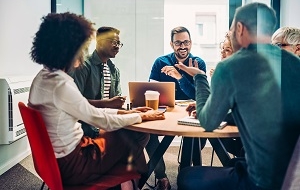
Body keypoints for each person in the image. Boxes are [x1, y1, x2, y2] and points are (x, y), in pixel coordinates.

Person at [28, 12, 165, 187]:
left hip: (66, 155)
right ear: (68, 49)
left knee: (127, 140)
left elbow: (86, 108)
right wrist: (140, 117)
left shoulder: (44, 77)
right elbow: (99, 119)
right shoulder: (61, 85)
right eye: (82, 47)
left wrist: (128, 112)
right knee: (134, 137)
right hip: (77, 164)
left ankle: (128, 182)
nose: (84, 52)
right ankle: (131, 181)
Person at [176, 2, 300, 190]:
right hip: (293, 174)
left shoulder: (231, 67)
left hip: (260, 181)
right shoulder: (292, 64)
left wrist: (200, 77)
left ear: (240, 29)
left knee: (186, 175)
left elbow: (208, 122)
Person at [148, 26, 206, 190]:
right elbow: (151, 90)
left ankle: (186, 172)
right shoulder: (161, 62)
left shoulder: (197, 63)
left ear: (191, 42)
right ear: (172, 44)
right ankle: (161, 176)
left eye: (186, 42)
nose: (183, 47)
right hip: (167, 112)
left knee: (197, 136)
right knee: (148, 136)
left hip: (190, 112)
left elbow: (198, 95)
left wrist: (179, 76)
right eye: (178, 43)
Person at [70, 26, 126, 138]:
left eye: (119, 43)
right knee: (134, 136)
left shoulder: (114, 70)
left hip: (107, 120)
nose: (117, 47)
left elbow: (114, 102)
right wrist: (107, 103)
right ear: (99, 42)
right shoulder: (84, 66)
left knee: (140, 133)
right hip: (88, 125)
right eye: (114, 42)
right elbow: (75, 103)